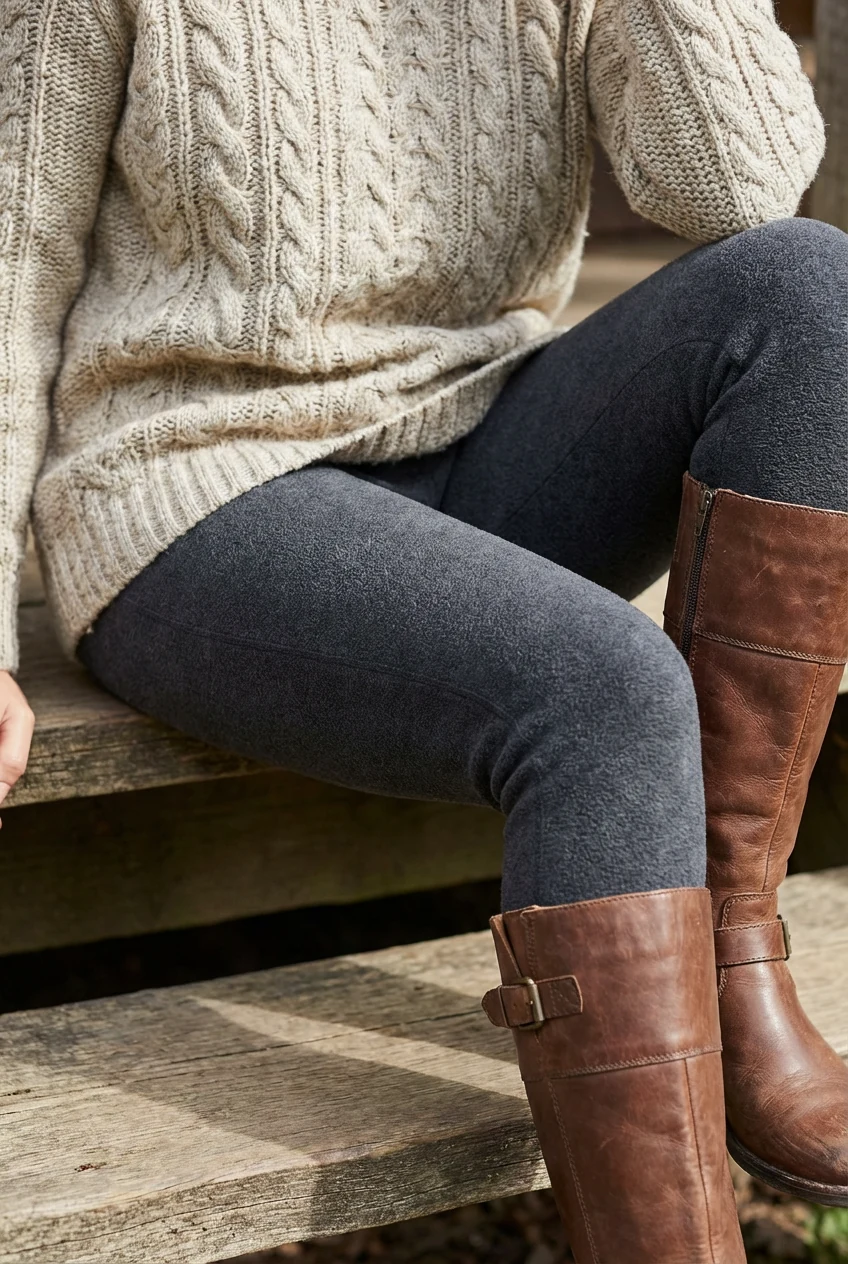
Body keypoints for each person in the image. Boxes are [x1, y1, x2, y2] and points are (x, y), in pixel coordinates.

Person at [2, 0, 846, 1257]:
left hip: (483, 435)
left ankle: (725, 947)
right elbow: (10, 273)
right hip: (195, 488)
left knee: (810, 290)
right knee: (605, 691)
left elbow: (734, 185)